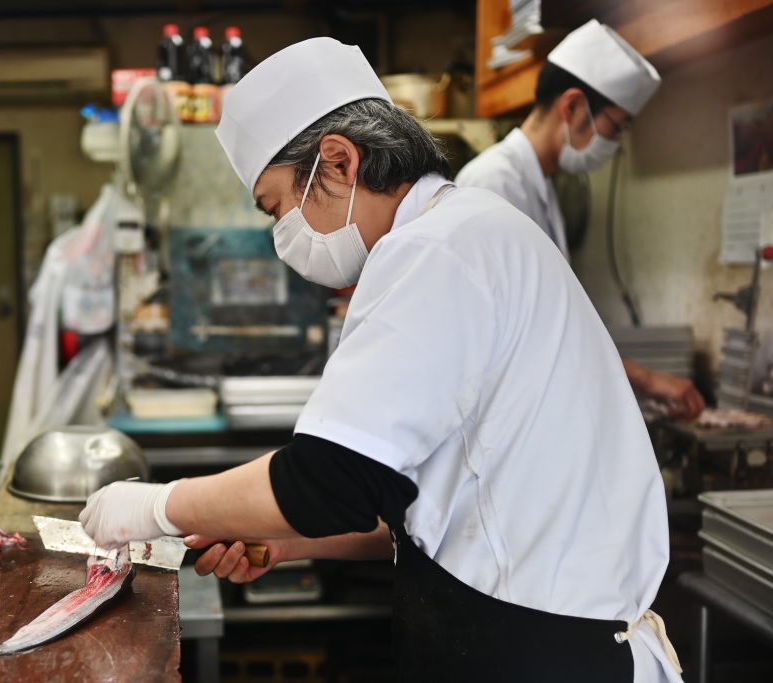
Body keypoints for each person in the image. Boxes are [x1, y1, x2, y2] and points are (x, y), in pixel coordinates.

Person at [80, 37, 683, 682]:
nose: (283, 235)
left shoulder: (436, 249)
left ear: (337, 162)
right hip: (518, 632)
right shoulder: (462, 230)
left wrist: (155, 506)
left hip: (538, 650)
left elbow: (329, 479)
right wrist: (290, 542)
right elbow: (428, 499)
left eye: (278, 206)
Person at [456, 19, 704, 421]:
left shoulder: (539, 187)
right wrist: (644, 378)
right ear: (571, 106)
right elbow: (534, 329)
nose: (616, 144)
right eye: (616, 127)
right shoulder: (495, 185)